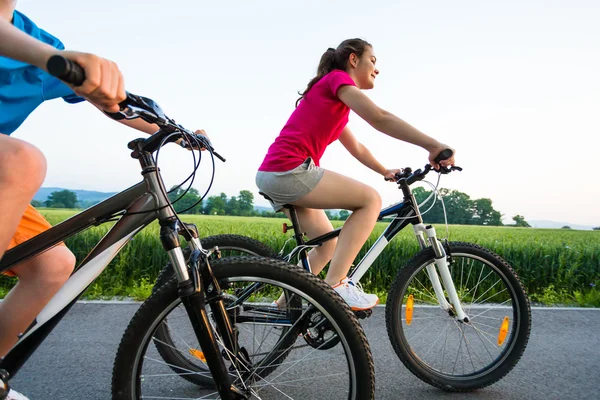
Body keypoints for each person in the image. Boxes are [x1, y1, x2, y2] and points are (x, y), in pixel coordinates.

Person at [0, 3, 204, 399]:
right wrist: (51, 58)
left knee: (53, 265)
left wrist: (176, 132)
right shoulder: (42, 50)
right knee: (21, 163)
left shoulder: (40, 42)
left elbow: (116, 104)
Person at [256, 38, 455, 311]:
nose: (377, 69)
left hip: (277, 173)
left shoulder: (332, 101)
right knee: (370, 200)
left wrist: (384, 170)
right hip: (290, 170)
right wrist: (433, 145)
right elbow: (379, 117)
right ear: (353, 60)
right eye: (372, 60)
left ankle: (283, 308)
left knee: (327, 246)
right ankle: (337, 285)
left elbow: (357, 148)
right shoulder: (336, 80)